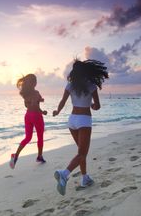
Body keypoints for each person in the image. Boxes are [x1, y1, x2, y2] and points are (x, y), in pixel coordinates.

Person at [53, 59, 109, 195]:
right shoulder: (91, 86)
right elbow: (97, 106)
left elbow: (62, 101)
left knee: (81, 153)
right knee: (82, 153)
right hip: (84, 120)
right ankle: (64, 174)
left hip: (72, 121)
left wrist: (57, 111)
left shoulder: (70, 85)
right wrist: (93, 106)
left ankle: (85, 178)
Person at [9, 74, 47, 169]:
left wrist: (39, 100)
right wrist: (42, 111)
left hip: (28, 116)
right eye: (35, 80)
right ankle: (39, 156)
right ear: (33, 83)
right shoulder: (35, 92)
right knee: (40, 136)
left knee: (28, 137)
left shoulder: (26, 94)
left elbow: (27, 105)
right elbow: (34, 105)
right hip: (36, 116)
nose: (36, 82)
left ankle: (16, 155)